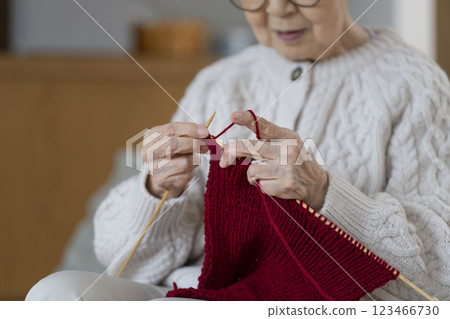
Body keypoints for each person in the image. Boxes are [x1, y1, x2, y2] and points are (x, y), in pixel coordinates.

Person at [26, 0, 450, 301]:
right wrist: (158, 189)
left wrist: (325, 193)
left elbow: (439, 262)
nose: (278, 10)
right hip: (201, 287)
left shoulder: (414, 83)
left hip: (325, 299)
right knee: (54, 294)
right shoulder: (220, 79)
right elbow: (123, 262)